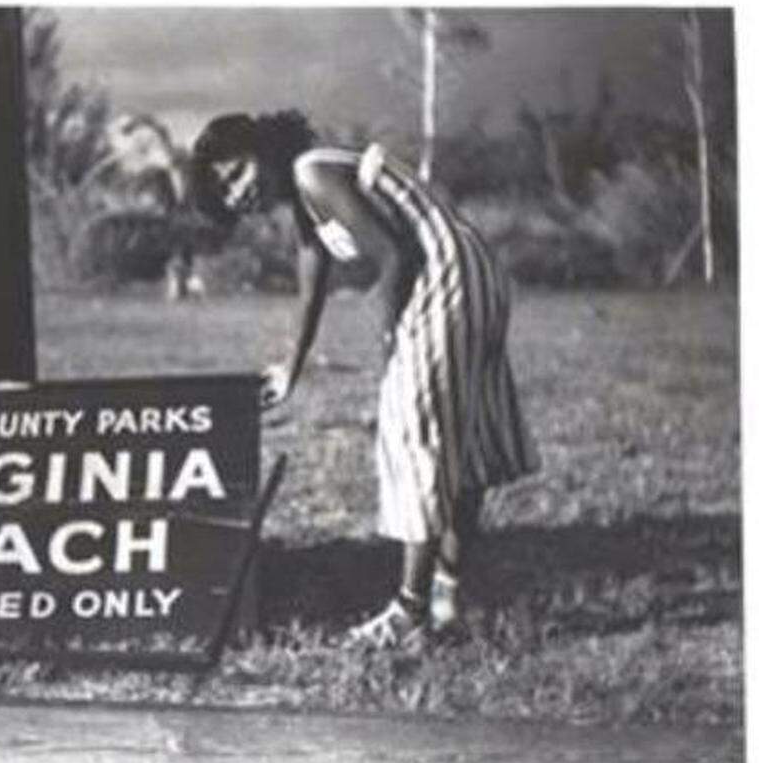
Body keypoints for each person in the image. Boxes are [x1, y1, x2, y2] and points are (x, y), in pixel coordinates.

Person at [190, 111, 540, 649]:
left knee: (413, 436)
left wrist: (389, 343)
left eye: (238, 173)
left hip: (442, 277)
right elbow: (312, 285)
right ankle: (447, 599)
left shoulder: (311, 171)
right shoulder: (307, 201)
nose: (238, 193)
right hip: (477, 274)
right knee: (465, 447)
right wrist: (292, 365)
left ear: (262, 147)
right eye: (227, 191)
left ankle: (408, 613)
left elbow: (393, 255)